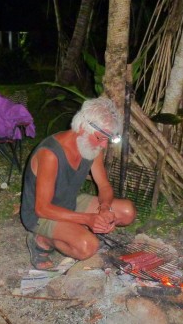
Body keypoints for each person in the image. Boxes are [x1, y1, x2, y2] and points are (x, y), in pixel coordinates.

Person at [21, 97, 136, 270]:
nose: (104, 145)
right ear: (83, 128)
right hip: (41, 216)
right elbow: (42, 208)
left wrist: (104, 209)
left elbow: (104, 186)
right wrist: (88, 219)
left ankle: (74, 227)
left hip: (70, 203)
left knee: (127, 211)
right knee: (87, 247)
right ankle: (42, 240)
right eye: (100, 138)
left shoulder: (91, 148)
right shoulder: (50, 154)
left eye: (108, 139)